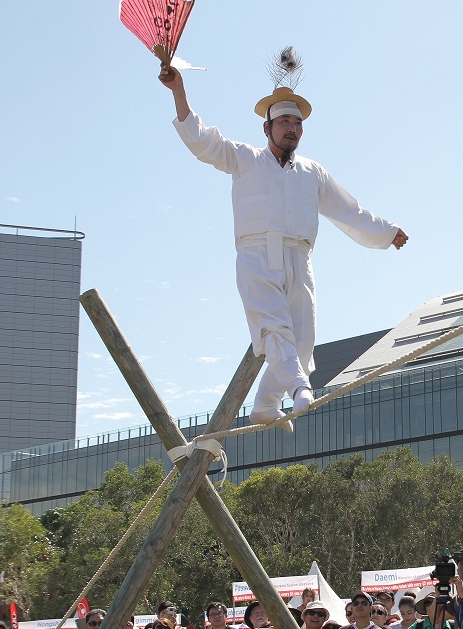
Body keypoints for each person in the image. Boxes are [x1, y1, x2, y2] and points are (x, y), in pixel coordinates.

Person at [163, 61, 407, 430]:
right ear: (267, 127)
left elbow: (348, 211)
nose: (292, 129)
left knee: (304, 340)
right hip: (257, 254)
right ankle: (299, 387)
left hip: (301, 256)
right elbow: (203, 141)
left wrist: (387, 232)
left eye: (298, 125)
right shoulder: (244, 158)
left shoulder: (313, 172)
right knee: (276, 330)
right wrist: (179, 91)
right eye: (285, 123)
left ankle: (265, 404)